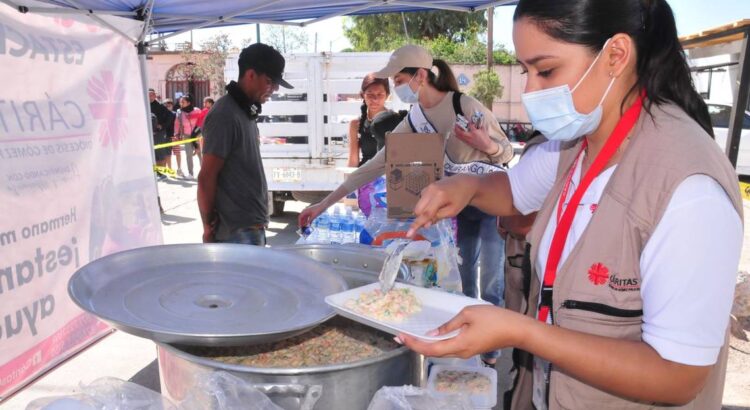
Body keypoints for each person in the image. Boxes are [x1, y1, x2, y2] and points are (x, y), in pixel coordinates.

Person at [400, 1, 743, 409]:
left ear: (615, 55)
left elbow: (678, 376)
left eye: (545, 71)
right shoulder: (578, 141)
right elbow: (513, 191)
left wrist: (521, 332)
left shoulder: (688, 188)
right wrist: (468, 186)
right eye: (526, 71)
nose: (529, 91)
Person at [298, 44, 514, 364]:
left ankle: (492, 350)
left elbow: (507, 154)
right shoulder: (416, 117)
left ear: (421, 76)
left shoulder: (464, 105)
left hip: (493, 204)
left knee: (493, 282)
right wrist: (324, 204)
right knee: (465, 279)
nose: (396, 87)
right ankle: (470, 342)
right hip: (460, 207)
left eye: (399, 79)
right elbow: (376, 163)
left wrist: (486, 145)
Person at [197, 43, 293, 245]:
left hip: (250, 227)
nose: (274, 89)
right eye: (270, 81)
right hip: (235, 232)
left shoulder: (245, 111)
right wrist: (207, 227)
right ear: (250, 75)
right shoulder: (225, 114)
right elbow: (206, 177)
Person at [347, 73, 406, 215]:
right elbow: (353, 159)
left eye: (380, 94)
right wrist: (349, 186)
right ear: (362, 95)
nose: (375, 99)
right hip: (366, 180)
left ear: (387, 95)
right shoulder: (355, 124)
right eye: (370, 94)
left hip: (390, 181)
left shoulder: (396, 120)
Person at [172, 94, 202, 178]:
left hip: (197, 135)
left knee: (200, 154)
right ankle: (191, 173)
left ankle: (204, 173)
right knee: (188, 154)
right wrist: (176, 134)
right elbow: (177, 124)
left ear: (189, 103)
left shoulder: (197, 110)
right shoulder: (179, 112)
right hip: (187, 135)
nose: (180, 103)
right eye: (180, 102)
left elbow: (202, 120)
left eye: (183, 102)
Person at [148, 89, 172, 175]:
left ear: (154, 96)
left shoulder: (160, 106)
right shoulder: (144, 105)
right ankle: (153, 173)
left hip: (158, 133)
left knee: (160, 153)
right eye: (148, 95)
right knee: (150, 153)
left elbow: (170, 116)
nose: (150, 97)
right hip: (148, 134)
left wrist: (162, 125)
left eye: (151, 95)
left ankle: (161, 172)